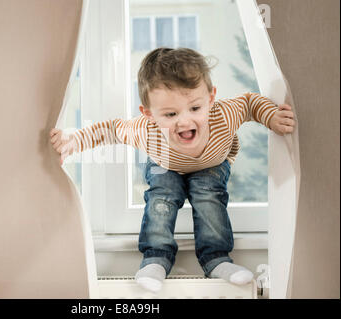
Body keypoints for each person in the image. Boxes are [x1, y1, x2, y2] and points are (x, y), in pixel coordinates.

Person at [50, 47, 295, 293]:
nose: (185, 120)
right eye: (170, 113)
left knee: (207, 193)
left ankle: (216, 260)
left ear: (211, 98)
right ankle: (155, 259)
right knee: (162, 194)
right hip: (166, 163)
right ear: (149, 115)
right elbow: (111, 130)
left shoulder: (224, 115)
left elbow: (250, 103)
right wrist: (73, 141)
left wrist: (271, 116)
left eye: (195, 109)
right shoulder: (145, 129)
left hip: (212, 163)